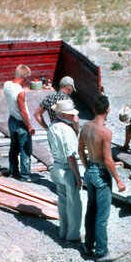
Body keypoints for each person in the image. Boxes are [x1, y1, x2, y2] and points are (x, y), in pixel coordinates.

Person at [78, 95, 126, 262]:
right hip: (101, 173)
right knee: (102, 215)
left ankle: (88, 245)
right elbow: (108, 160)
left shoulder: (85, 127)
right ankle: (102, 252)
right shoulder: (105, 132)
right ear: (108, 110)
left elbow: (80, 150)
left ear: (93, 109)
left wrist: (87, 167)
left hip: (90, 170)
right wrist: (119, 180)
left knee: (91, 210)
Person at [47, 100, 82, 242]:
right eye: (69, 114)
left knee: (62, 202)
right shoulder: (67, 130)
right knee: (74, 204)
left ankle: (63, 231)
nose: (72, 117)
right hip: (68, 169)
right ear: (62, 114)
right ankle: (73, 235)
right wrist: (78, 176)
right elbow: (70, 156)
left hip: (56, 166)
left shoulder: (52, 127)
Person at [3, 64, 36, 182]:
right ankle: (25, 176)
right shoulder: (20, 92)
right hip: (21, 123)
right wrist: (30, 127)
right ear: (25, 77)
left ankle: (13, 172)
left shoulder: (6, 85)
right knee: (25, 150)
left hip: (12, 119)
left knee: (14, 147)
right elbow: (23, 113)